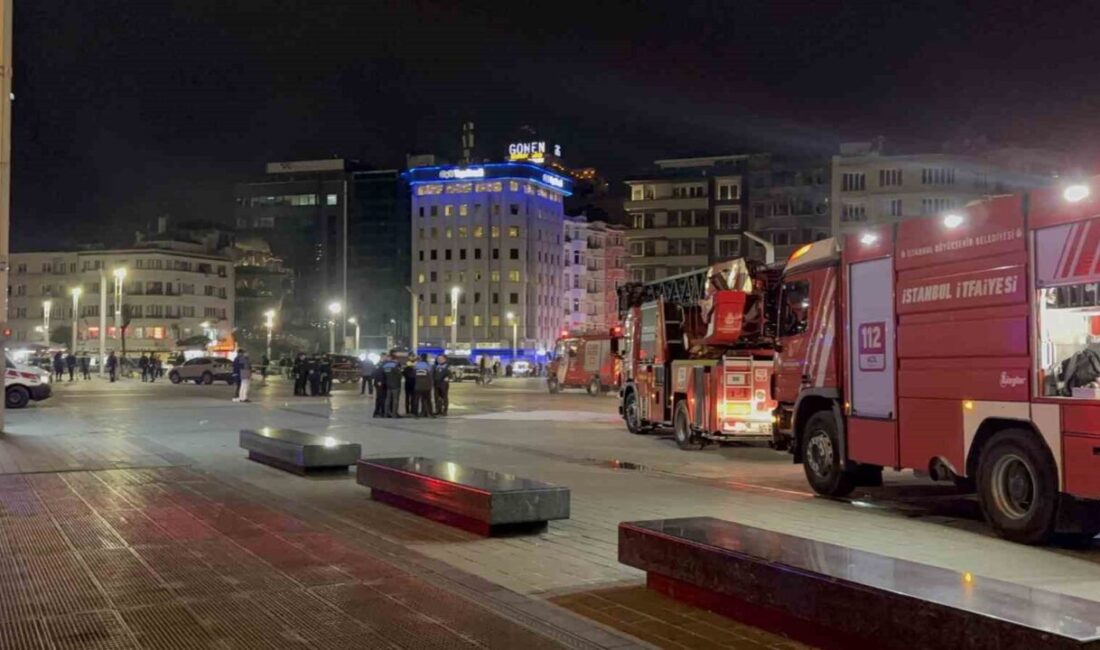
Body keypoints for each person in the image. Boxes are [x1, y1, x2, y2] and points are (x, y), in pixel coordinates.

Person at [414, 353, 434, 418]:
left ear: (421, 358)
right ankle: (430, 413)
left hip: (418, 385)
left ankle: (416, 414)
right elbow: (431, 375)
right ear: (426, 357)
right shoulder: (428, 365)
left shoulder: (417, 365)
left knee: (417, 400)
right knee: (428, 400)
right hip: (427, 386)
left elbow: (414, 375)